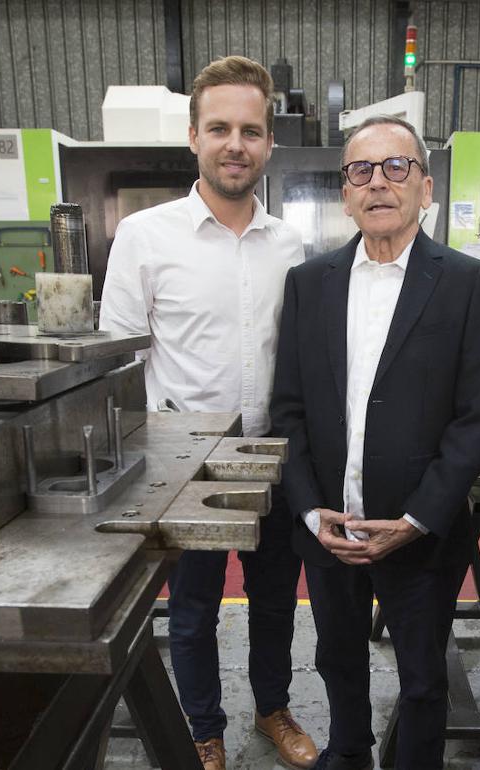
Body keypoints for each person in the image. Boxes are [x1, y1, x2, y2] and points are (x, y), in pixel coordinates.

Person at [99, 55, 316, 770]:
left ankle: (273, 708)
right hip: (184, 461)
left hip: (276, 457)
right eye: (219, 127)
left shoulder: (292, 246)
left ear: (268, 144)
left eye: (250, 130)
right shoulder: (145, 236)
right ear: (193, 136)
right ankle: (202, 726)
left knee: (275, 603)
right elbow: (118, 361)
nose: (235, 144)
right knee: (191, 610)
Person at [270, 115, 480, 770]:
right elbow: (288, 410)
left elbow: (474, 419)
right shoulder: (308, 284)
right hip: (331, 529)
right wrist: (312, 513)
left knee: (424, 677)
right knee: (338, 657)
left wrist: (417, 519)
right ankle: (349, 753)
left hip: (418, 535)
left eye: (397, 167)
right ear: (345, 194)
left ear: (425, 187)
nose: (378, 182)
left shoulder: (465, 282)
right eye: (361, 171)